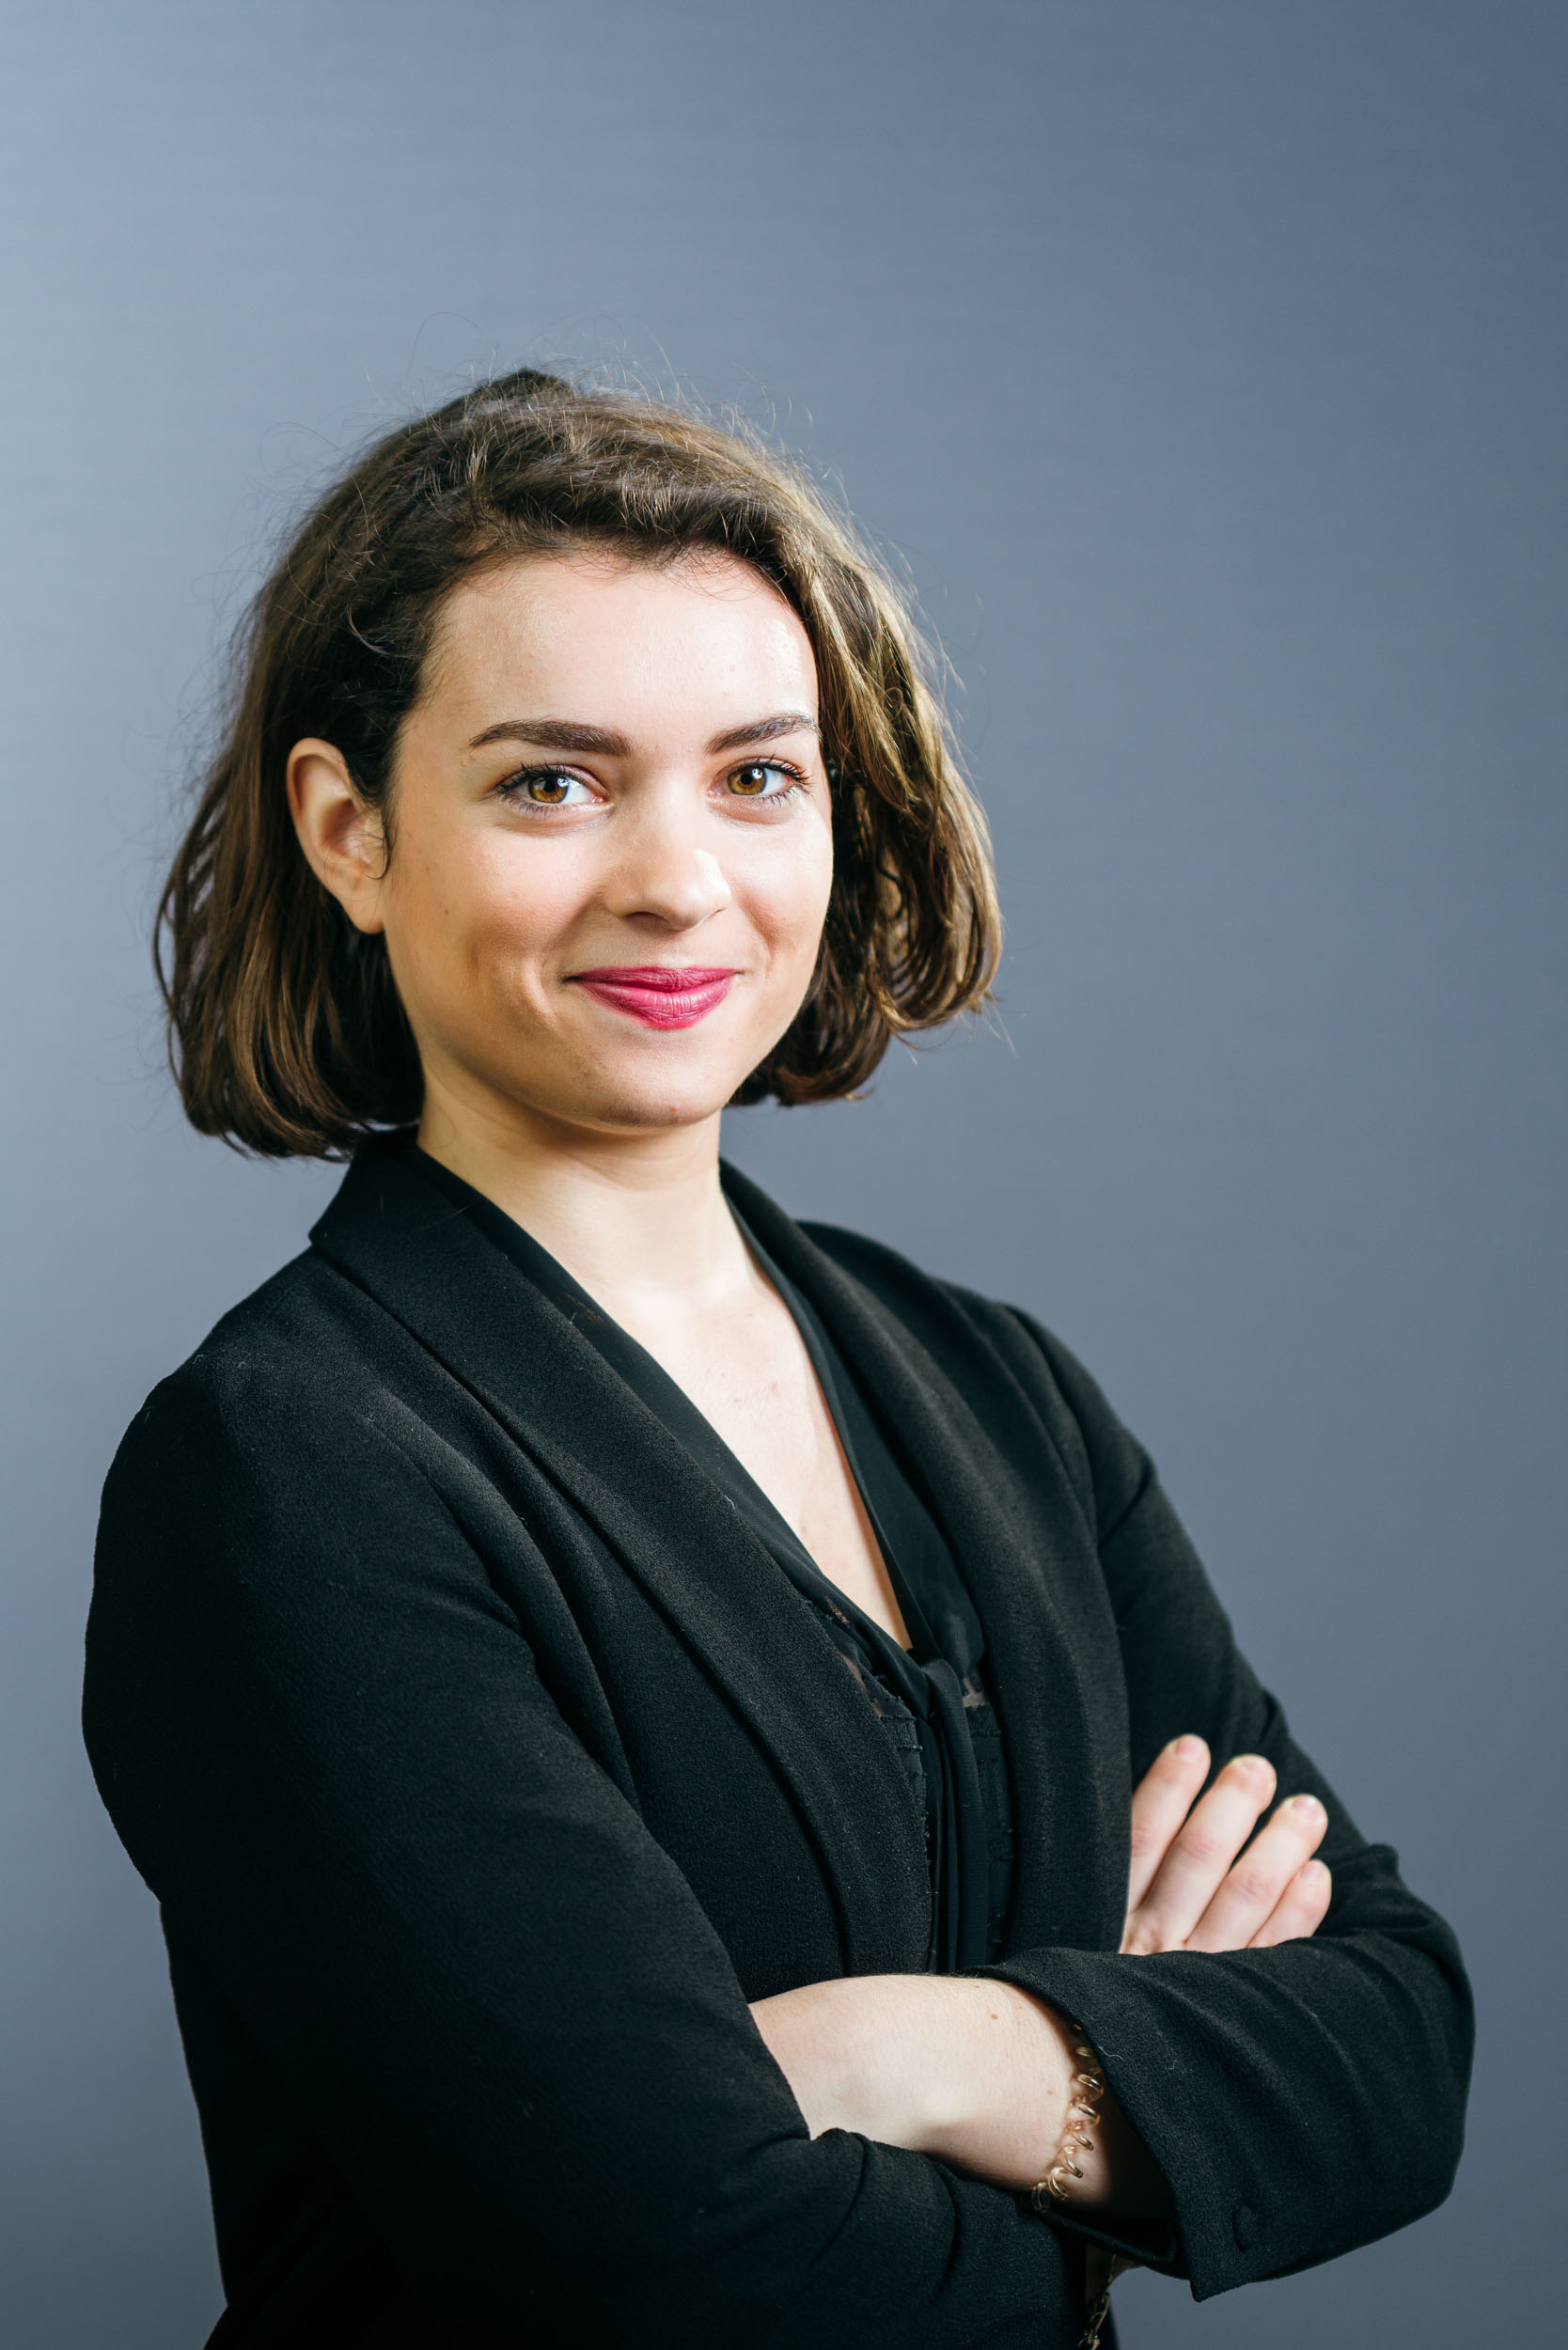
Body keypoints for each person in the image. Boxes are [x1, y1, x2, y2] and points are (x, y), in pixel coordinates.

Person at [82, 369, 1471, 2349]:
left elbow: (1404, 2041)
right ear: (351, 828)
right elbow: (679, 2264)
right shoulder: (290, 1472)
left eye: (757, 775)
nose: (676, 876)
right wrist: (1148, 2111)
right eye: (551, 779)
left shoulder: (1002, 1395)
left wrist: (937, 2054)